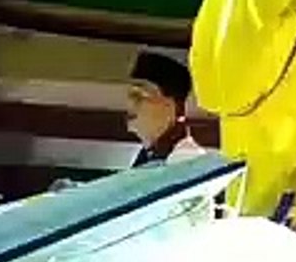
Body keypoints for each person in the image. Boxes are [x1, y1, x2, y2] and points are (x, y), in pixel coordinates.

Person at [49, 50, 205, 190]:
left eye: (139, 95)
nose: (130, 103)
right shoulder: (148, 156)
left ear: (171, 105)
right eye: (129, 95)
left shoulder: (187, 162)